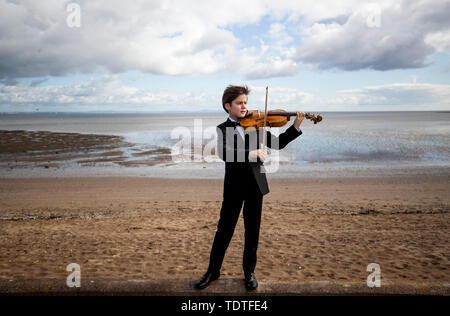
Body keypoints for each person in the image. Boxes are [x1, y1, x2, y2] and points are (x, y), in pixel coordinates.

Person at [194, 85, 305, 291]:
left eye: (245, 102)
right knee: (224, 230)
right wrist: (250, 154)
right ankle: (213, 271)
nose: (244, 106)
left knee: (252, 231)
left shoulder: (256, 125)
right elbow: (224, 153)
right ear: (228, 106)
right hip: (234, 186)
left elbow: (279, 143)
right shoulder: (222, 129)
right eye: (239, 103)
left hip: (256, 184)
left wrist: (296, 125)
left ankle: (249, 272)